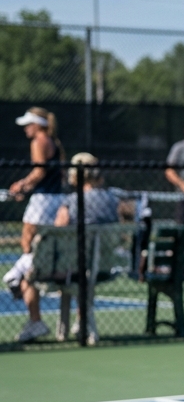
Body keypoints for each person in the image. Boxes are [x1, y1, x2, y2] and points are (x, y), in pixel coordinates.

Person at [4, 108, 66, 342]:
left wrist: (22, 184)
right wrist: (27, 188)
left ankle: (17, 281)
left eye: (29, 123)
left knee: (28, 245)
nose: (25, 128)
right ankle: (21, 284)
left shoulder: (39, 141)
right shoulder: (54, 142)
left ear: (38, 124)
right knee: (39, 252)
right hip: (54, 201)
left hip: (43, 202)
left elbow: (39, 171)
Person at [51, 153, 121, 343]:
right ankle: (81, 321)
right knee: (85, 267)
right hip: (105, 265)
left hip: (72, 266)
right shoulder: (112, 200)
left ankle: (68, 326)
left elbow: (58, 231)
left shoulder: (71, 201)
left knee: (73, 268)